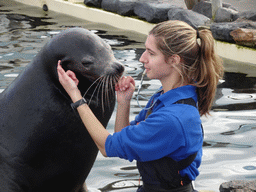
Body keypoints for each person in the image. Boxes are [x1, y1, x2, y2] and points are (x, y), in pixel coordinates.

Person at [57, 20, 223, 192]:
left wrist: (76, 97)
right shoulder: (165, 97)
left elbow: (107, 147)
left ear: (173, 60)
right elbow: (123, 144)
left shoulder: (172, 119)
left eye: (151, 53)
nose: (142, 58)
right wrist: (124, 102)